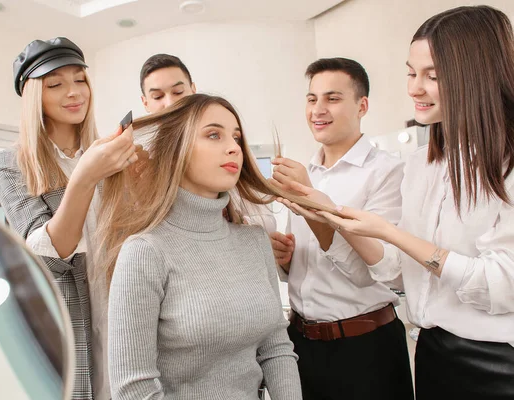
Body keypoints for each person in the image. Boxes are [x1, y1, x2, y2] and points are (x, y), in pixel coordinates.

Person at [283, 6, 514, 399]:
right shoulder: (423, 164)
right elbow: (395, 274)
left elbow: (500, 288)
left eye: (432, 76)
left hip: (496, 361)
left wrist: (389, 231)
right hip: (433, 352)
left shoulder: (503, 164)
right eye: (411, 72)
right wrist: (334, 216)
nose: (414, 89)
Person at [99, 94, 333, 399]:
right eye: (213, 134)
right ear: (176, 150)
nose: (234, 147)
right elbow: (133, 388)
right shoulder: (144, 252)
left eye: (236, 137)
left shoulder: (254, 241)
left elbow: (276, 349)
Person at [0, 37, 140, 400]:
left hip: (119, 308)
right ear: (34, 96)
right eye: (56, 84)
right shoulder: (12, 164)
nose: (74, 92)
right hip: (64, 319)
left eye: (80, 80)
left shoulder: (111, 155)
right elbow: (48, 252)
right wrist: (86, 176)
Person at [268, 57, 413, 400]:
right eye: (312, 99)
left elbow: (371, 273)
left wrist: (316, 207)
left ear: (362, 105)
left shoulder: (388, 173)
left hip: (365, 347)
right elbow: (301, 269)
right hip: (302, 344)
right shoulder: (307, 172)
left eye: (332, 99)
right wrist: (284, 258)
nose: (318, 109)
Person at [139, 53, 276, 233]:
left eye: (178, 92)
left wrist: (253, 239)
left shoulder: (230, 152)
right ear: (145, 103)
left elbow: (266, 222)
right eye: (158, 96)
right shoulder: (141, 164)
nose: (171, 102)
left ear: (193, 89)